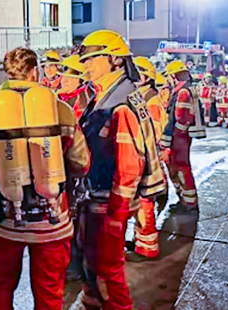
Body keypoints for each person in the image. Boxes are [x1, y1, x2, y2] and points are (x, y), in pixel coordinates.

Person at [0, 47, 90, 310]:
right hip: (52, 223)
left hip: (5, 222)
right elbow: (82, 163)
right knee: (49, 294)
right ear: (35, 71)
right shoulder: (62, 110)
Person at [76, 30, 165, 310]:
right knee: (92, 262)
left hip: (107, 203)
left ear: (114, 60)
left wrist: (117, 214)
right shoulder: (110, 95)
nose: (86, 66)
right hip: (97, 200)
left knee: (108, 270)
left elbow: (128, 167)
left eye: (92, 59)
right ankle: (92, 302)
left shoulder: (119, 104)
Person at [125, 56, 169, 262]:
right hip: (148, 157)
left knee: (145, 203)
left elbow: (155, 132)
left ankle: (147, 248)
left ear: (146, 77)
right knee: (141, 202)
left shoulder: (150, 101)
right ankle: (140, 241)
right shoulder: (143, 97)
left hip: (148, 157)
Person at [160, 60, 205, 213]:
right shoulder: (184, 89)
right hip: (181, 136)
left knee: (182, 167)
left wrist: (174, 136)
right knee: (178, 166)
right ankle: (185, 200)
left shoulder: (183, 91)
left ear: (174, 75)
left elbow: (181, 117)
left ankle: (189, 203)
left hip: (179, 137)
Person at [57, 54, 92, 119]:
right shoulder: (56, 96)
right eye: (63, 76)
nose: (65, 81)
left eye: (71, 77)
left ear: (81, 81)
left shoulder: (83, 101)